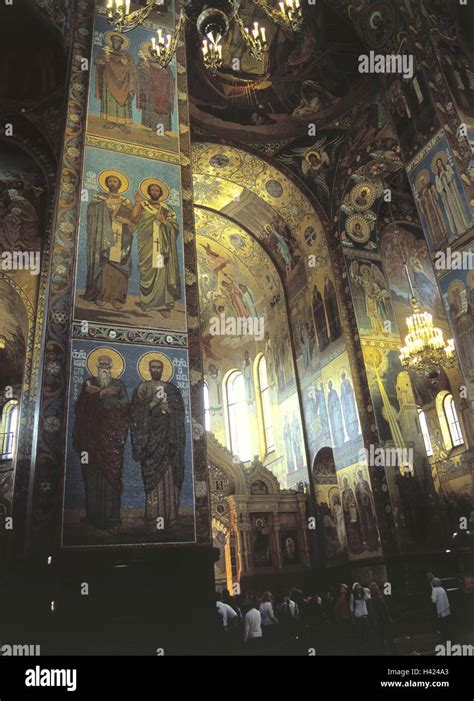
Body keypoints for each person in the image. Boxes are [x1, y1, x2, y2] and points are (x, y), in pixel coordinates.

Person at [72, 355, 129, 530]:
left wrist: (104, 398)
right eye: (101, 364)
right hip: (90, 439)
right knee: (91, 477)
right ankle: (93, 517)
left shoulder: (118, 385)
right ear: (96, 366)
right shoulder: (89, 383)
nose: (104, 366)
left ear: (111, 366)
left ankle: (112, 518)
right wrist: (100, 394)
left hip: (112, 440)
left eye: (107, 364)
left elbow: (125, 405)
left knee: (111, 476)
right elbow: (80, 408)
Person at [130, 358, 185, 530]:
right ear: (148, 369)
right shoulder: (142, 388)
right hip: (151, 441)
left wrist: (170, 410)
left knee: (169, 477)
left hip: (169, 440)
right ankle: (153, 518)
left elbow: (179, 413)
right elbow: (135, 413)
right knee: (154, 480)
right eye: (153, 367)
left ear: (163, 369)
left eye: (159, 367)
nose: (155, 369)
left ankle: (171, 517)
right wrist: (152, 404)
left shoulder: (172, 389)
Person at [83, 173, 137, 309]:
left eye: (115, 181)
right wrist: (105, 204)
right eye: (110, 181)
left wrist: (127, 221)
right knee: (105, 265)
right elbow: (91, 212)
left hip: (122, 239)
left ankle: (117, 298)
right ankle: (102, 295)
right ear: (106, 183)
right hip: (103, 238)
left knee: (119, 268)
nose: (113, 183)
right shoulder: (99, 198)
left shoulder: (126, 201)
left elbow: (134, 221)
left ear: (119, 184)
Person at [132, 182, 180, 317]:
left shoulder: (167, 208)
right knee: (148, 271)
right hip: (147, 244)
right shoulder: (143, 205)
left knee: (161, 272)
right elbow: (134, 217)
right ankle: (146, 302)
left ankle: (163, 305)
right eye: (152, 190)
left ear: (160, 193)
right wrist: (137, 202)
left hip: (162, 246)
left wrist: (164, 221)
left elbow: (174, 226)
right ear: (148, 191)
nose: (154, 192)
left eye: (156, 190)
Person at [95, 32, 135, 132]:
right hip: (109, 79)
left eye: (118, 41)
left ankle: (122, 124)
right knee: (110, 99)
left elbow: (132, 67)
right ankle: (110, 122)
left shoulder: (126, 55)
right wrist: (104, 60)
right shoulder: (105, 51)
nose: (116, 43)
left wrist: (126, 63)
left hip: (124, 82)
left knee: (123, 101)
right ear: (111, 42)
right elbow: (97, 61)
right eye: (114, 41)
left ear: (121, 43)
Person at [350, 582, 371, 649]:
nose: (358, 587)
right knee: (360, 632)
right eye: (357, 587)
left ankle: (367, 645)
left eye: (359, 586)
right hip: (358, 616)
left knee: (366, 631)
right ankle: (361, 646)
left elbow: (368, 597)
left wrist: (363, 590)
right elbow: (351, 606)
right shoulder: (353, 595)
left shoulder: (363, 594)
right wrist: (353, 616)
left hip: (365, 615)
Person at [431, 578, 452, 643]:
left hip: (441, 611)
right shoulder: (442, 588)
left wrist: (431, 597)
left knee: (442, 626)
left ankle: (443, 640)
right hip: (447, 610)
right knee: (446, 625)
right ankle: (448, 638)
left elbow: (434, 600)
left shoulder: (435, 590)